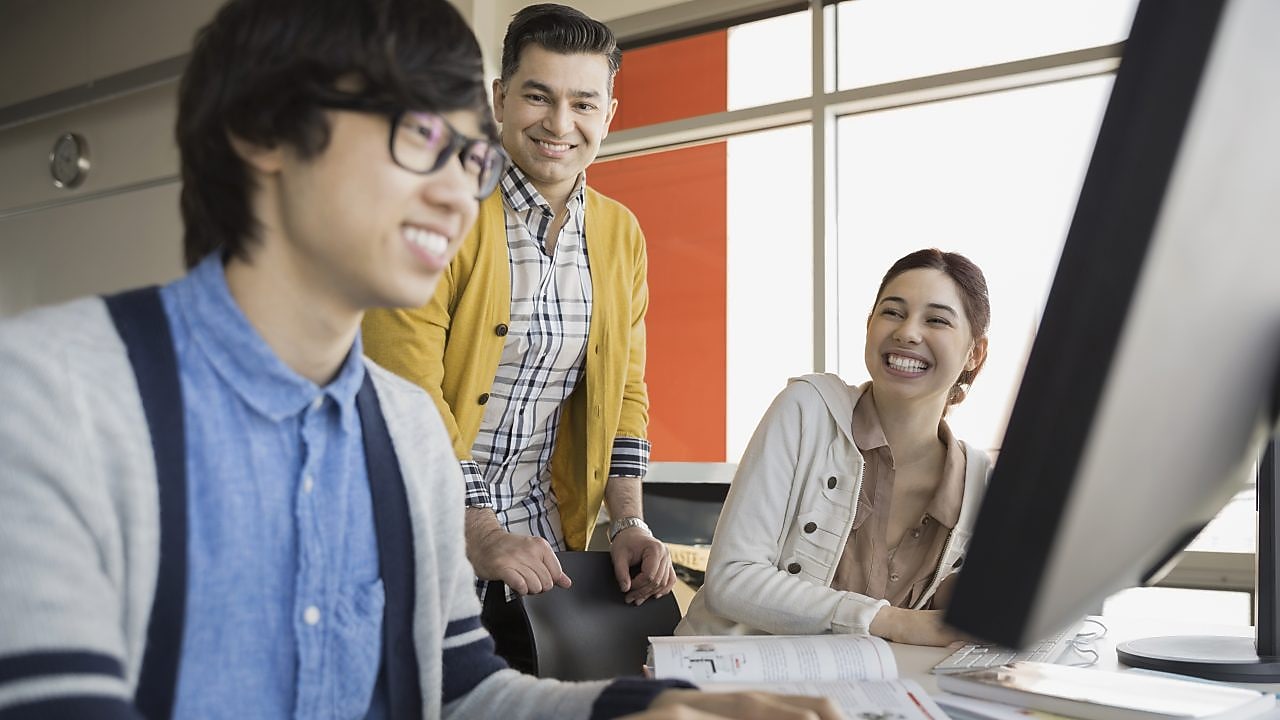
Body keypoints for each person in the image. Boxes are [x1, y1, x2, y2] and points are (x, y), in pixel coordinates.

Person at [0, 1, 840, 718]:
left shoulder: (400, 426)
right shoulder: (52, 398)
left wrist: (643, 707)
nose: (456, 189)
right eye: (416, 138)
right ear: (266, 134)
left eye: (470, 154)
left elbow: (461, 688)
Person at [362, 4, 675, 673]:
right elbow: (401, 390)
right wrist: (477, 529)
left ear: (609, 114)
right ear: (499, 98)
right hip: (424, 540)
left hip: (543, 560)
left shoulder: (621, 235)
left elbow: (624, 392)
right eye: (538, 96)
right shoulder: (431, 207)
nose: (560, 125)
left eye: (583, 103)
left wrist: (627, 522)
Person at [677, 249, 994, 647]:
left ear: (974, 353)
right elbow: (732, 578)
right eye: (892, 312)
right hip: (728, 672)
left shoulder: (978, 482)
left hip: (861, 694)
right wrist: (890, 621)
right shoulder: (806, 409)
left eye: (936, 320)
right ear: (869, 325)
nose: (907, 332)